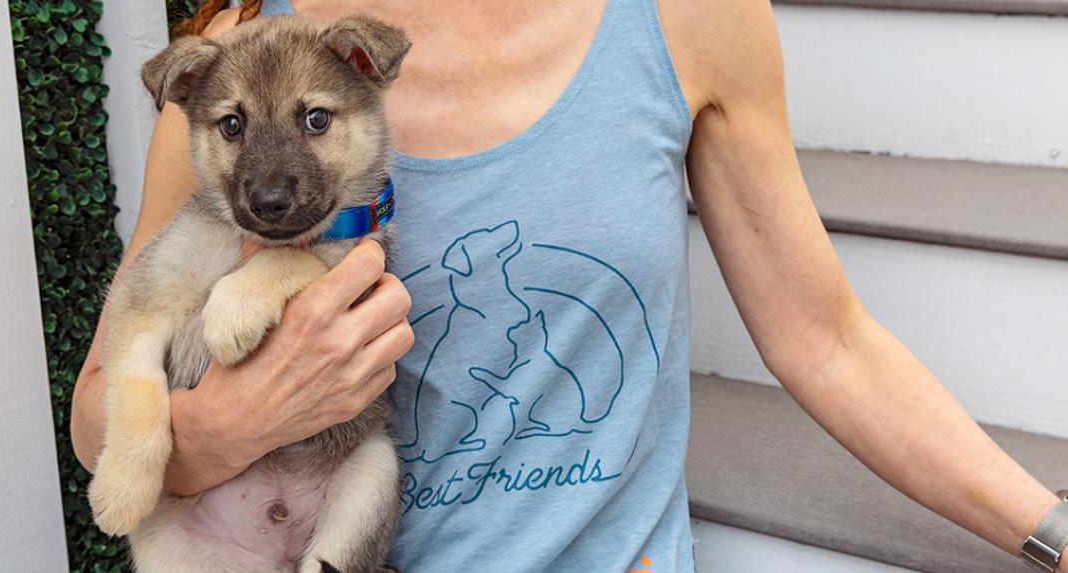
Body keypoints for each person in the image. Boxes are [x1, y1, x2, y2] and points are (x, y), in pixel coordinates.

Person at [71, 1, 1067, 571]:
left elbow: (827, 340)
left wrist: (1049, 530)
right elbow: (99, 409)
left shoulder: (687, 17)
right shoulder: (243, 51)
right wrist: (236, 425)